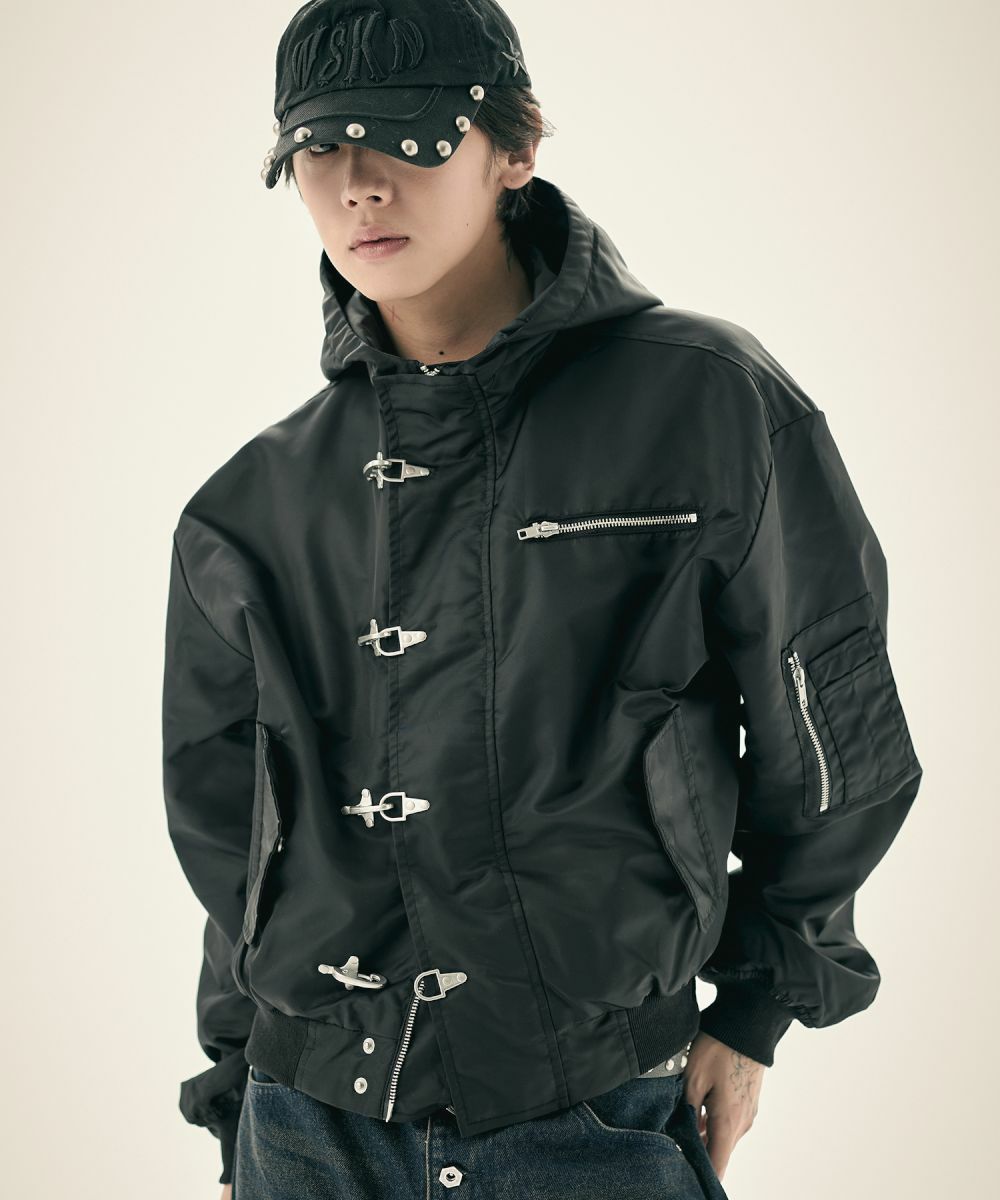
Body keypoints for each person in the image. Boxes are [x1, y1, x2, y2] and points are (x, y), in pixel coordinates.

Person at [161, 2, 924, 1198]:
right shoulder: (252, 502)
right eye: (319, 149)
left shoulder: (707, 403)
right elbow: (234, 838)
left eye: (408, 137)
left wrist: (759, 1007)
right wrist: (233, 1096)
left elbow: (835, 736)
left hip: (591, 1110)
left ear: (512, 149)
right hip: (305, 1126)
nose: (359, 184)